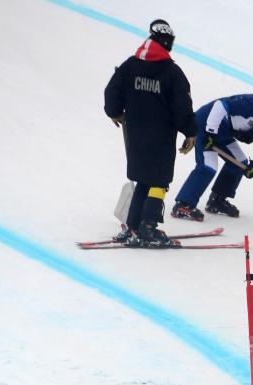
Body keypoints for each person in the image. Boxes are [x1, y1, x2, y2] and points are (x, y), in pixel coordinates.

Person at [104, 19, 196, 247]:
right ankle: (148, 227)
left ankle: (133, 225)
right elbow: (182, 106)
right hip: (161, 134)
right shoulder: (172, 73)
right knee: (158, 180)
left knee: (143, 178)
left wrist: (115, 112)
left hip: (135, 131)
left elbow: (112, 90)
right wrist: (190, 132)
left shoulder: (131, 65)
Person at [171, 94, 253, 220]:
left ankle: (217, 200)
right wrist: (210, 133)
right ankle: (183, 204)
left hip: (223, 133)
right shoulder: (252, 105)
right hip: (205, 126)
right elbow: (219, 105)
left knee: (239, 163)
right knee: (208, 166)